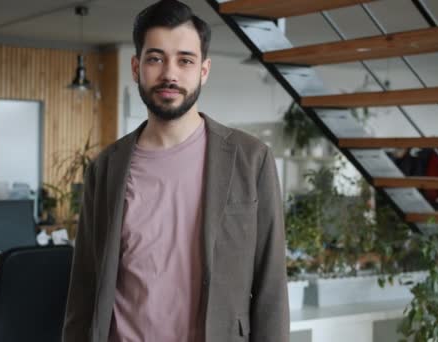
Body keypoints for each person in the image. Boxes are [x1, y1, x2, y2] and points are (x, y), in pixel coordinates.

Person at [63, 1, 289, 341]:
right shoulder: (106, 167)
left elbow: (271, 285)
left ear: (204, 70)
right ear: (137, 67)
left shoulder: (250, 159)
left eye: (185, 60)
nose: (170, 73)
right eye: (156, 58)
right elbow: (84, 286)